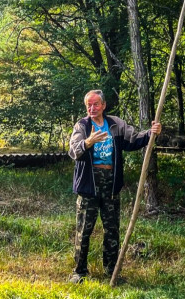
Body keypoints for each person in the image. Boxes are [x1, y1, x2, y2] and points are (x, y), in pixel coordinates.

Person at [67, 89, 161, 283]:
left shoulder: (115, 124)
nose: (92, 108)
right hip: (88, 186)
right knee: (83, 230)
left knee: (112, 231)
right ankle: (79, 272)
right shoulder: (82, 126)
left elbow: (133, 140)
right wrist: (88, 142)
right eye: (88, 105)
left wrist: (151, 133)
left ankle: (112, 271)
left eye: (95, 104)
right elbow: (74, 151)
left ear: (103, 105)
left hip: (111, 186)